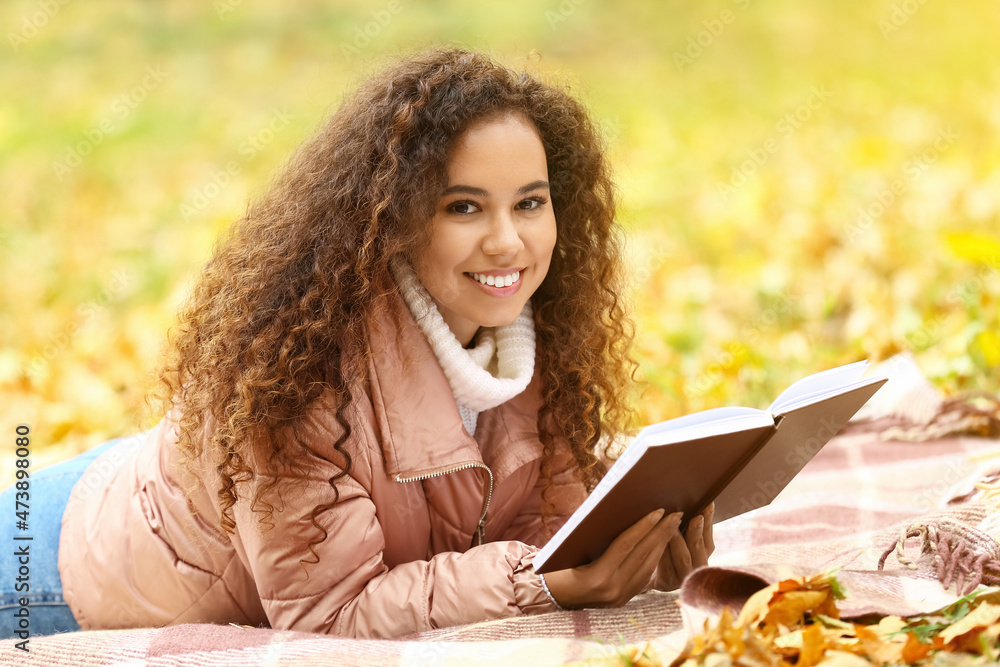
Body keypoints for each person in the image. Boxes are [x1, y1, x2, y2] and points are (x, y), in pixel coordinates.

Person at [0, 47, 714, 641]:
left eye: (530, 201)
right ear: (398, 218)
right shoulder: (299, 373)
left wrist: (634, 551)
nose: (509, 241)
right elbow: (329, 612)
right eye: (463, 206)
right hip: (56, 572)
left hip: (132, 481)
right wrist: (535, 584)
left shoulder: (530, 333)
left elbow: (542, 529)